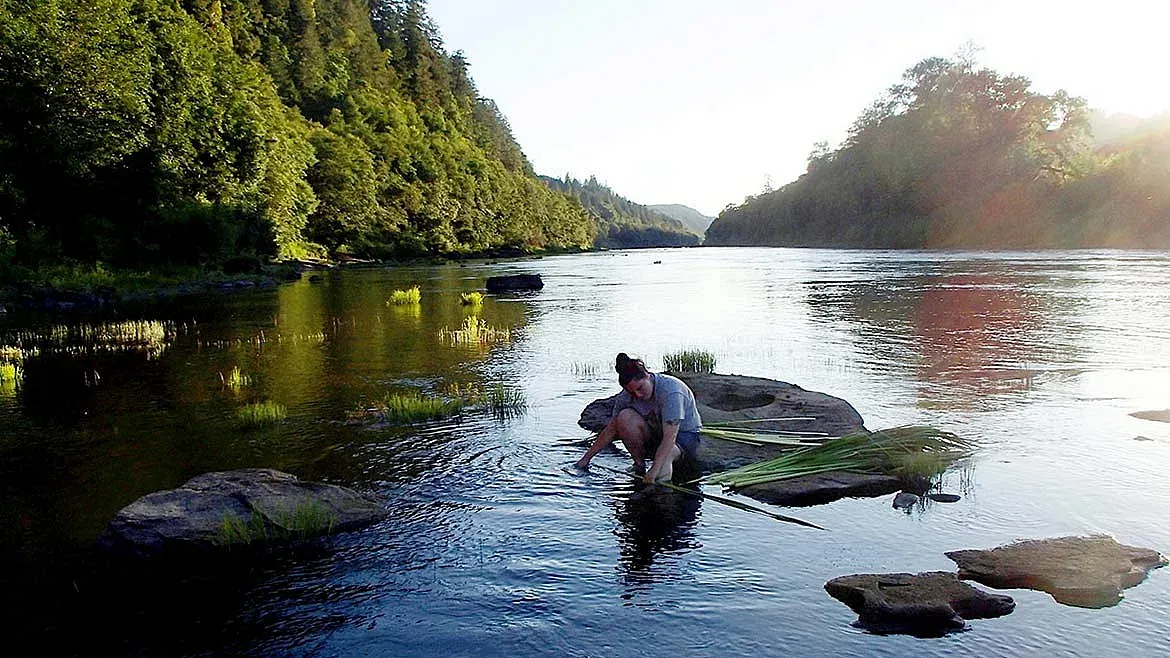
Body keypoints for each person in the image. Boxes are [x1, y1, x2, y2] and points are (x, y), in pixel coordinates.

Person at [575, 353, 702, 484]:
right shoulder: (627, 396)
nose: (638, 395)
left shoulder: (671, 392)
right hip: (656, 432)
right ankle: (639, 466)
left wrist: (653, 472)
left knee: (664, 462)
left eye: (640, 388)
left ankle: (662, 491)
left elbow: (670, 437)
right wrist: (586, 459)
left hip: (684, 437)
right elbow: (611, 429)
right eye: (632, 392)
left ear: (647, 376)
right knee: (624, 417)